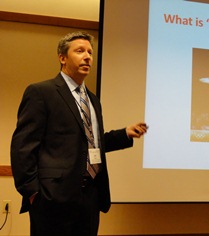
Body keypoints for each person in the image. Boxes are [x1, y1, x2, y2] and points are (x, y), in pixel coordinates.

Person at [10, 31, 148, 236]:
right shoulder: (41, 92)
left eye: (90, 52)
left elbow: (90, 143)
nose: (88, 57)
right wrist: (33, 193)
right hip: (52, 199)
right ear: (62, 58)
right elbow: (23, 146)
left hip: (90, 197)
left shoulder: (93, 100)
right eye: (80, 51)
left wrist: (124, 134)